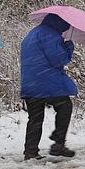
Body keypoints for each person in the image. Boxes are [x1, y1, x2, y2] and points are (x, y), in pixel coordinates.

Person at [19, 14, 78, 160]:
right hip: (46, 82)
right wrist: (68, 46)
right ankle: (58, 142)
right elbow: (59, 59)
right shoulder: (50, 35)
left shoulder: (32, 34)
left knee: (35, 118)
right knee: (65, 106)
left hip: (30, 82)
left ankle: (30, 151)